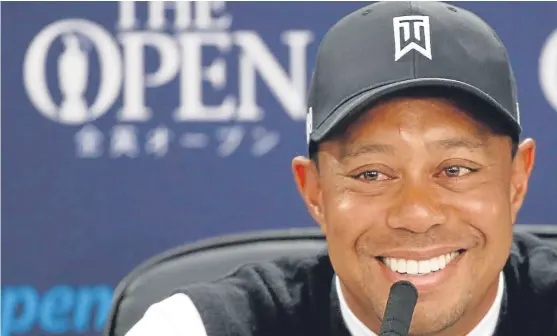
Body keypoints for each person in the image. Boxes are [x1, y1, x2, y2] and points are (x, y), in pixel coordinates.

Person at [125, 2, 557, 335]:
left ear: (517, 179)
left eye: (456, 169)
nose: (417, 213)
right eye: (372, 174)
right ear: (314, 192)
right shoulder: (201, 326)